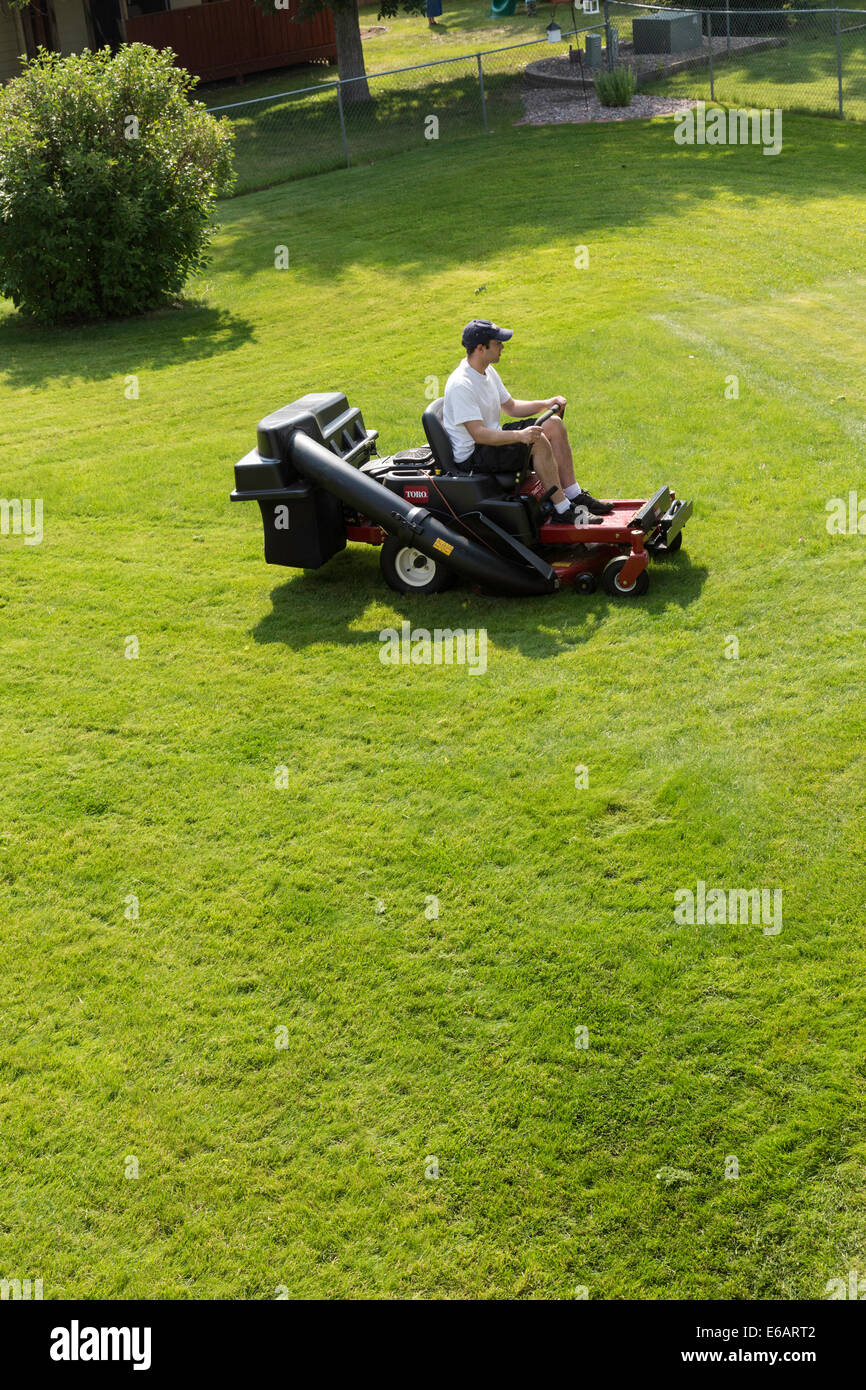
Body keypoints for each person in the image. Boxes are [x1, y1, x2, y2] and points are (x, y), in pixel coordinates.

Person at [442, 319, 614, 521]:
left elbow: (511, 407)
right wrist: (521, 436)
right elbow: (478, 435)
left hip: (491, 440)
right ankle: (563, 510)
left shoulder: (487, 371)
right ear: (481, 348)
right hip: (474, 454)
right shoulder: (462, 384)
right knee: (537, 440)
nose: (502, 347)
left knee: (554, 425)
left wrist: (546, 403)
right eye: (498, 343)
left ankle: (574, 494)